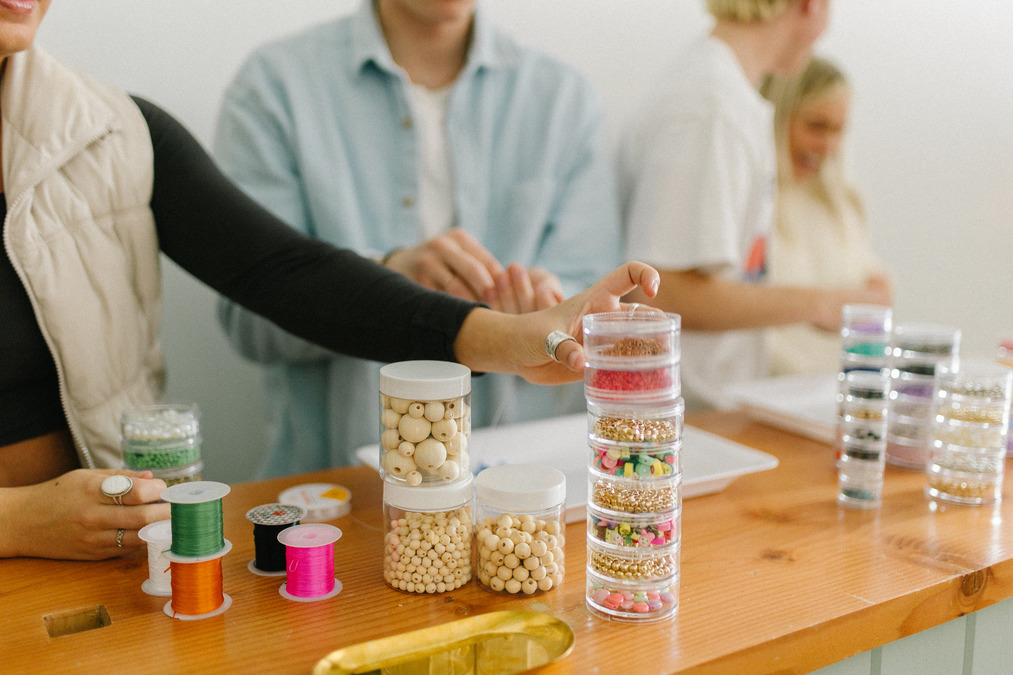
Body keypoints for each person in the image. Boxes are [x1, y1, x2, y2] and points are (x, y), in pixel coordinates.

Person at [0, 0, 658, 561]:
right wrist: (20, 520)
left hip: (105, 554)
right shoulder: (277, 84)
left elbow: (289, 274)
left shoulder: (114, 130)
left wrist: (509, 337)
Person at [213, 0, 622, 477]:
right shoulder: (274, 87)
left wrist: (547, 303)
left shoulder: (564, 100)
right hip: (334, 497)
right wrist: (379, 279)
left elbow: (595, 304)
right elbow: (247, 318)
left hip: (521, 501)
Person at [619, 0, 889, 412]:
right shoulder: (711, 107)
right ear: (809, 5)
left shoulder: (727, 97)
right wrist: (824, 304)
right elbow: (659, 290)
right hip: (684, 419)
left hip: (705, 413)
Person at [760, 56, 892, 375]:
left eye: (838, 130)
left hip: (831, 395)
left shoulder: (840, 203)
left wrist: (880, 287)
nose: (828, 145)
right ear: (777, 114)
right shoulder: (753, 205)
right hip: (769, 393)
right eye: (817, 126)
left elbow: (867, 282)